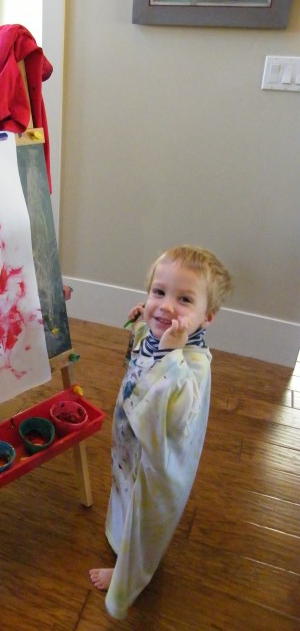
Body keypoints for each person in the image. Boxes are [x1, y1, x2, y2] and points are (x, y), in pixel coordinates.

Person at [89, 245, 232, 620]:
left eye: (184, 299)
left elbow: (178, 416)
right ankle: (121, 544)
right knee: (124, 500)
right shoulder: (157, 333)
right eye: (158, 292)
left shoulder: (192, 362)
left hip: (154, 465)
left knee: (144, 525)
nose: (166, 307)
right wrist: (141, 323)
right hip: (131, 451)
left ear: (208, 316)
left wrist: (170, 355)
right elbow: (141, 357)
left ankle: (128, 578)